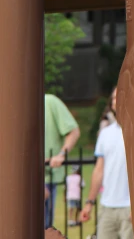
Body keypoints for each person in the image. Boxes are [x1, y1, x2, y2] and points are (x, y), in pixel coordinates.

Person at [80, 87, 133, 238]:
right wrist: (89, 203)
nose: (117, 101)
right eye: (114, 98)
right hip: (107, 207)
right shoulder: (105, 134)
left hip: (131, 208)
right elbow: (99, 170)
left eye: (121, 97)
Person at [45, 93, 80, 230]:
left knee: (43, 230)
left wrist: (61, 154)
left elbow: (73, 131)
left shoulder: (50, 102)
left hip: (46, 179)